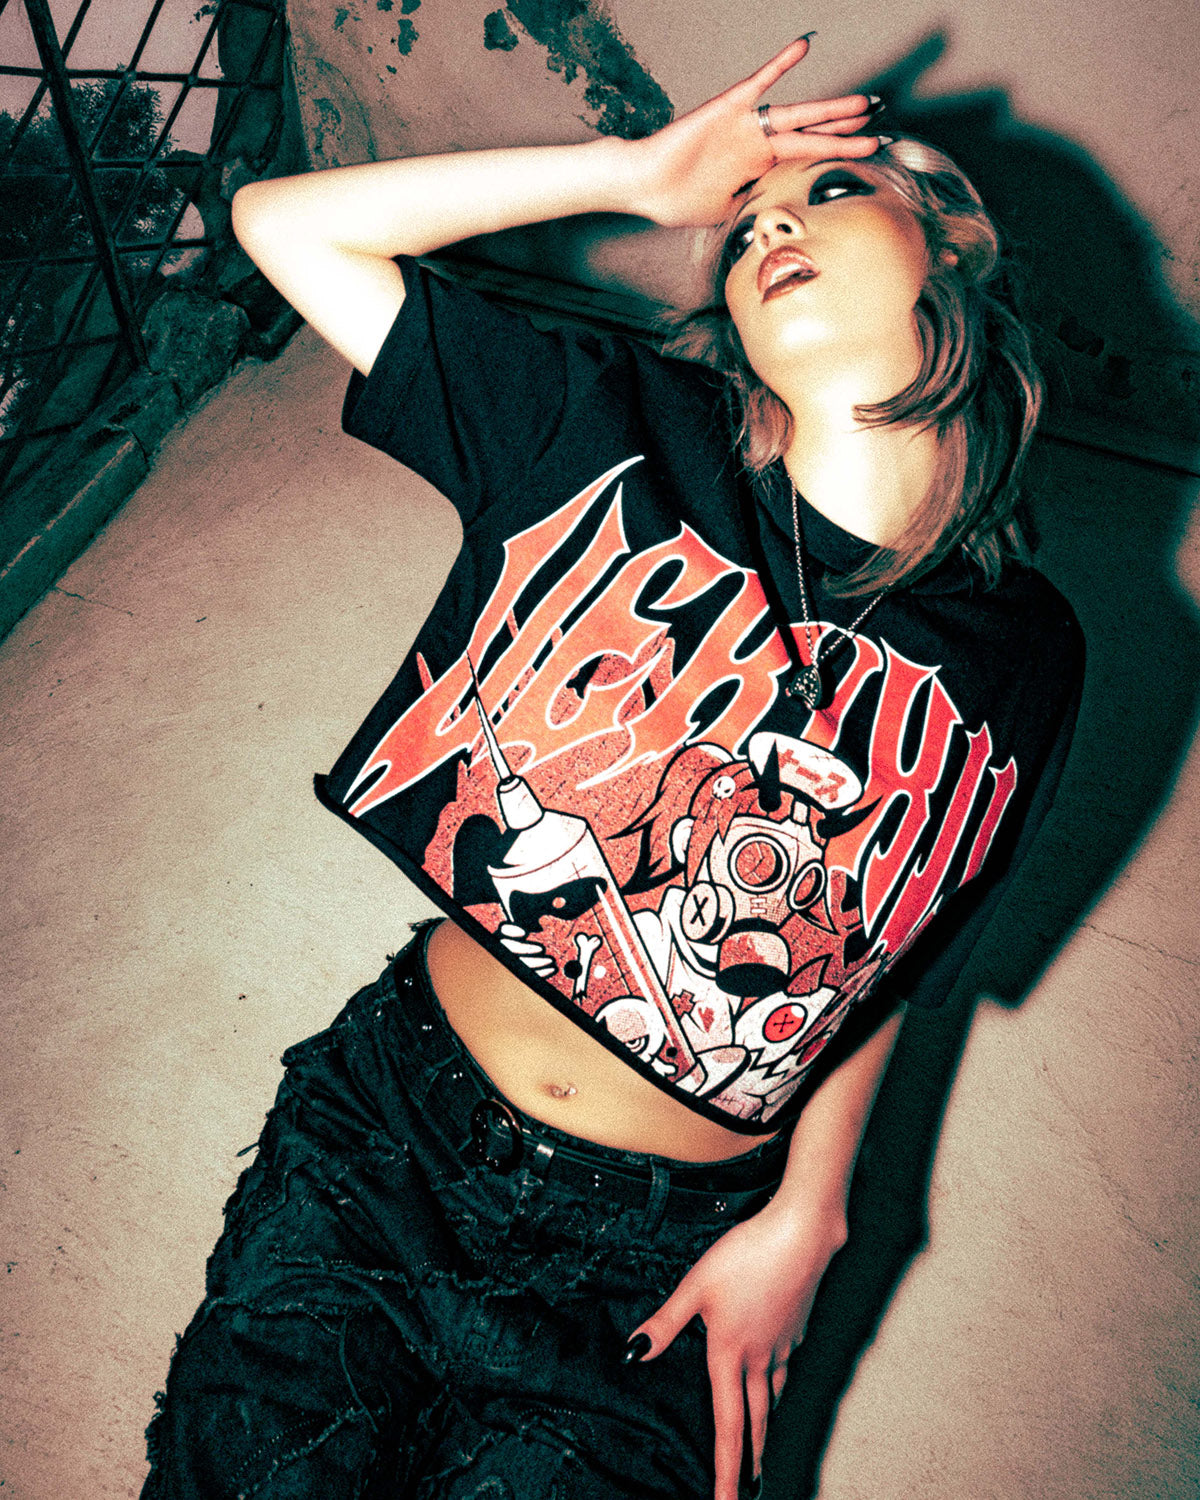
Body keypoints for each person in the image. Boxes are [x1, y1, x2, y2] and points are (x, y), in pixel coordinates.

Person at [141, 37, 1084, 1500]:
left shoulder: (1028, 652)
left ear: (951, 250)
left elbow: (902, 958)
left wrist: (814, 1217)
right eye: (747, 226)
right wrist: (631, 176)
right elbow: (283, 224)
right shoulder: (610, 431)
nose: (772, 226)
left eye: (832, 191)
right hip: (390, 1142)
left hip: (665, 1254)